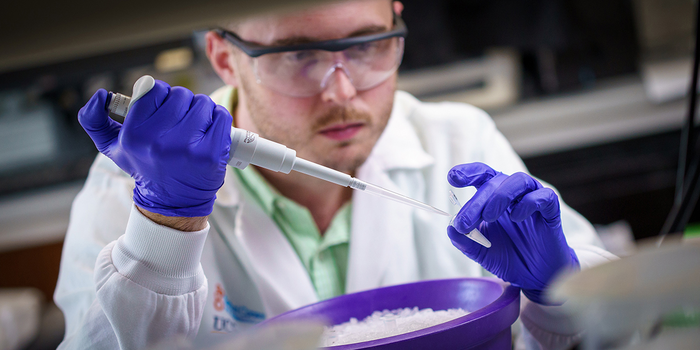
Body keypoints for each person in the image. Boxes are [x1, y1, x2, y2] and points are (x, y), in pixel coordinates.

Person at [54, 0, 616, 349]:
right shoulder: (134, 185)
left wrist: (560, 295)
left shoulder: (457, 141)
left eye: (370, 46)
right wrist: (162, 232)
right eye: (301, 56)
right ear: (224, 58)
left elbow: (629, 326)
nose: (344, 93)